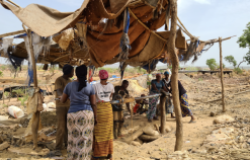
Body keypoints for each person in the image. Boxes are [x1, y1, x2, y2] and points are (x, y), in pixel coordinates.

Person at [60, 65, 97, 160]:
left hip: (73, 114)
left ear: (75, 74)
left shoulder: (69, 86)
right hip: (87, 115)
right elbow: (93, 104)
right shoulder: (89, 87)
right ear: (85, 74)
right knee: (86, 138)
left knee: (73, 137)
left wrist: (70, 97)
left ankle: (73, 157)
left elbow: (62, 100)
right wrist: (95, 117)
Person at [93, 70, 114, 160]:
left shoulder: (95, 86)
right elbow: (110, 96)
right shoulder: (111, 85)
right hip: (108, 109)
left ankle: (97, 155)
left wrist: (94, 115)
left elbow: (93, 100)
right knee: (108, 132)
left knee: (98, 133)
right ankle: (110, 154)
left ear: (99, 77)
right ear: (107, 77)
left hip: (100, 110)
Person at [54, 64, 74, 151]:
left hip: (69, 105)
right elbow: (59, 91)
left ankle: (67, 144)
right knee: (61, 127)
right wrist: (63, 97)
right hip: (61, 106)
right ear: (69, 72)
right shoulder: (59, 80)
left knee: (68, 126)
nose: (73, 73)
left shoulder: (70, 81)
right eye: (72, 71)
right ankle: (58, 147)